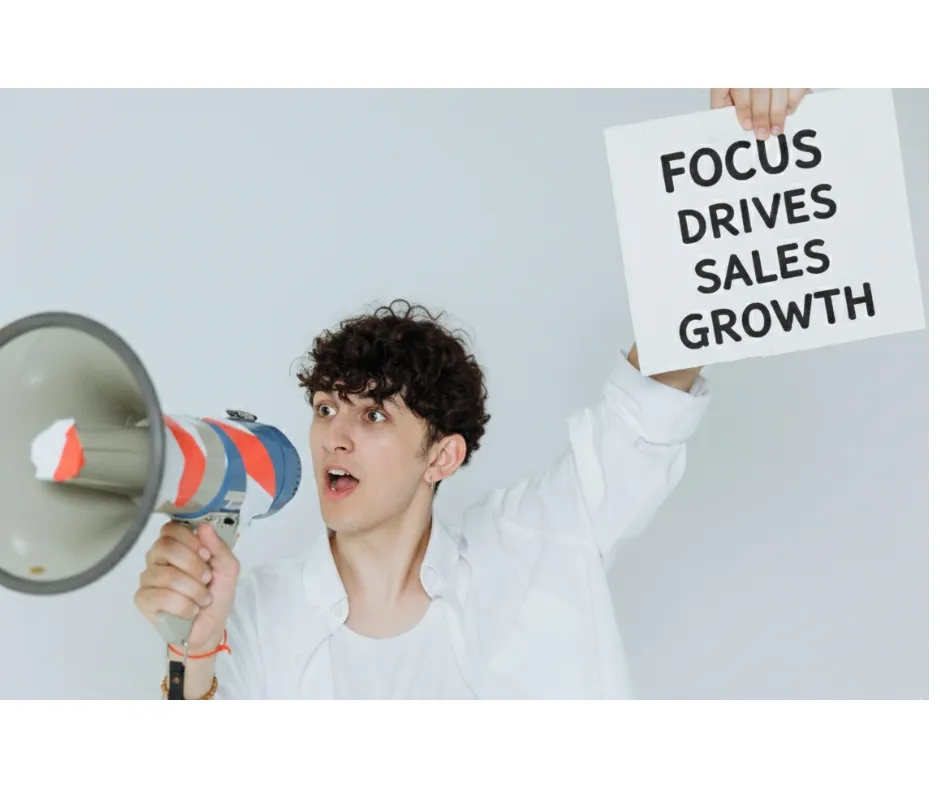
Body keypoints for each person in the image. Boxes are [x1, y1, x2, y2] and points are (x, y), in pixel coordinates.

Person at [135, 88, 811, 699]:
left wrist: (728, 163)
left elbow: (644, 411)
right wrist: (194, 650)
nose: (334, 436)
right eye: (326, 409)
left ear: (443, 456)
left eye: (374, 415)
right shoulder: (255, 611)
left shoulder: (539, 543)